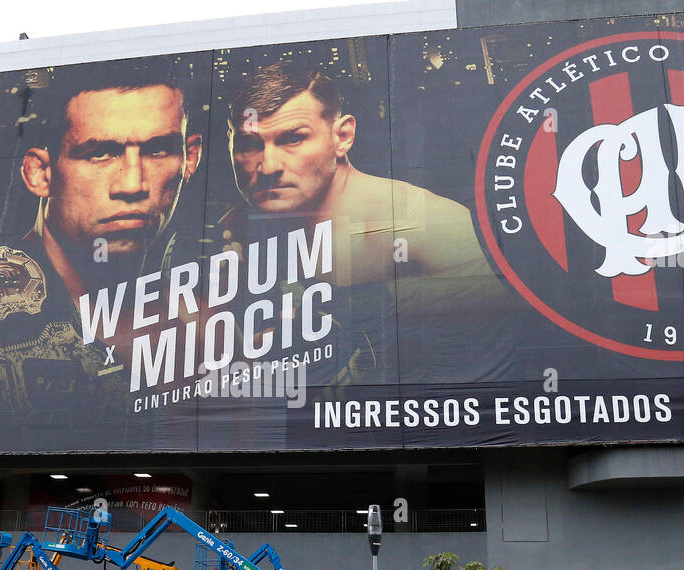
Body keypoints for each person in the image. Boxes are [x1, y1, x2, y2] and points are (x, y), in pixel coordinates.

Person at [0, 59, 203, 449]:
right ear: (41, 172)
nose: (133, 183)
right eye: (101, 153)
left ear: (190, 158)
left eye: (158, 150)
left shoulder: (205, 325)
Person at [220, 59, 513, 392]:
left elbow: (481, 382)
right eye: (249, 145)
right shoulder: (235, 231)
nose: (268, 165)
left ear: (342, 136)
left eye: (292, 139)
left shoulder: (426, 227)